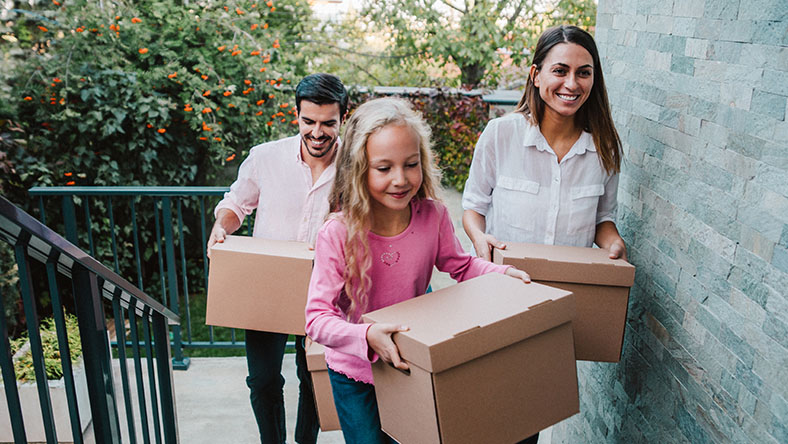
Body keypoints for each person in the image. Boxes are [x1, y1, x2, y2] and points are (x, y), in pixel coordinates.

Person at [304, 97, 530, 444]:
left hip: (408, 365)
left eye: (411, 164)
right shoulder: (337, 233)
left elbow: (462, 265)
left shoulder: (433, 216)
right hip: (355, 373)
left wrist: (501, 274)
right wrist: (366, 336)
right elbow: (317, 319)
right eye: (384, 168)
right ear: (358, 169)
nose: (400, 179)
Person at [462, 25, 627, 444]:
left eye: (584, 73)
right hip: (499, 297)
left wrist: (613, 244)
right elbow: (473, 208)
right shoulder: (501, 135)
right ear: (536, 75)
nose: (572, 84)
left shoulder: (604, 148)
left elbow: (602, 220)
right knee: (482, 407)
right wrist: (480, 243)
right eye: (560, 70)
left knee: (527, 420)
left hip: (558, 308)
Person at [207, 73, 348, 444]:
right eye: (309, 122)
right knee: (263, 378)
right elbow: (237, 203)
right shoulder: (265, 157)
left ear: (342, 120)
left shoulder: (357, 164)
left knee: (313, 376)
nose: (317, 132)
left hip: (325, 288)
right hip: (268, 284)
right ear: (296, 116)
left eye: (328, 124)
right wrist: (223, 226)